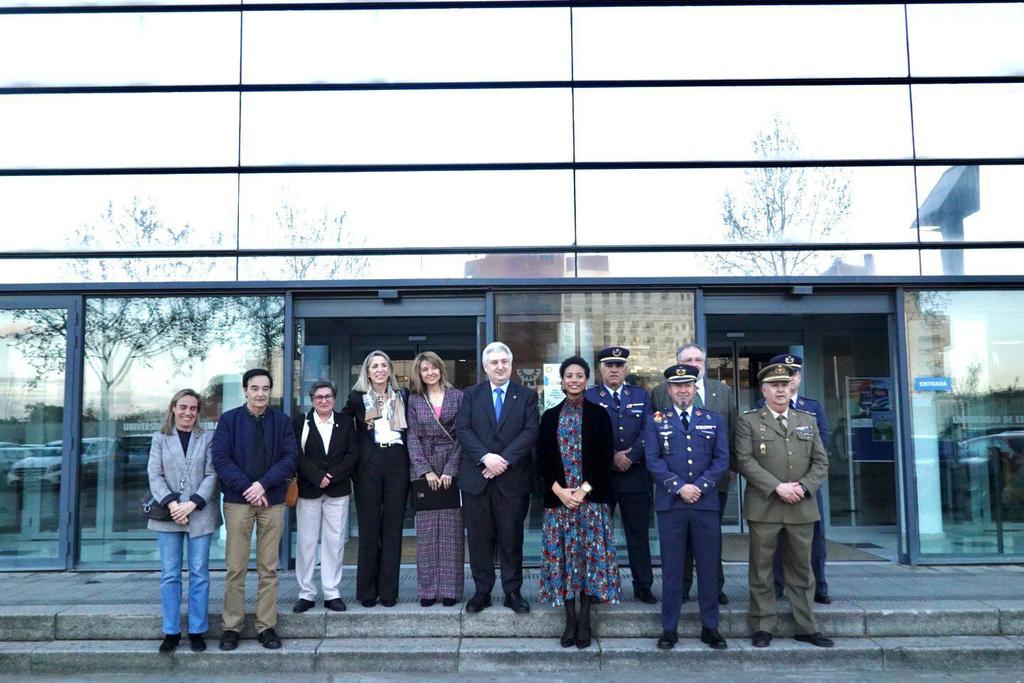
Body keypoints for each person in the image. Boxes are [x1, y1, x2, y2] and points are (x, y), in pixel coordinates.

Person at [736, 362, 832, 649]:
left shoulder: (807, 419)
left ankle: (806, 626)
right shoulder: (748, 421)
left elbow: (821, 461)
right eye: (774, 385)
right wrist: (777, 487)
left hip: (800, 506)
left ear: (792, 387)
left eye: (784, 384)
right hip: (765, 506)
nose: (780, 390)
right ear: (763, 390)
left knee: (802, 569)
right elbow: (744, 460)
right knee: (762, 569)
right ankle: (763, 625)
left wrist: (802, 487)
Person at [538, 356, 622, 649]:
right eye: (569, 375)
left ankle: (584, 619)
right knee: (564, 560)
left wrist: (582, 491)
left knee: (587, 560)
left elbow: (603, 459)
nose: (574, 380)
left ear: (587, 381)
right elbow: (543, 460)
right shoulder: (549, 417)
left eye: (579, 376)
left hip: (591, 502)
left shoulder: (599, 415)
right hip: (559, 502)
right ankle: (569, 620)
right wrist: (561, 491)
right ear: (561, 381)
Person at [644, 364, 729, 651]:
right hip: (671, 504)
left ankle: (711, 627)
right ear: (669, 390)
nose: (682, 390)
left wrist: (700, 486)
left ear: (695, 388)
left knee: (707, 566)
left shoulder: (713, 419)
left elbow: (722, 460)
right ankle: (669, 628)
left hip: (705, 504)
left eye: (688, 385)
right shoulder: (656, 420)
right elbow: (653, 460)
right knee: (672, 569)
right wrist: (679, 487)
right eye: (677, 386)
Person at [212, 368, 297, 651]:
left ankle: (266, 627)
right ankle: (232, 627)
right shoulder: (229, 420)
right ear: (245, 390)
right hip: (238, 502)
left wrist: (263, 485)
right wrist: (249, 487)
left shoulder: (281, 421)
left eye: (265, 388)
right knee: (235, 568)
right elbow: (221, 459)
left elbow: (289, 458)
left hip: (272, 502)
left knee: (268, 569)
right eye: (255, 388)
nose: (260, 393)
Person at [456, 341, 539, 615]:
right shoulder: (470, 395)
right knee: (479, 539)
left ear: (511, 365)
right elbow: (463, 429)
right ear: (485, 367)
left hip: (512, 479)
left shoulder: (525, 395)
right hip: (477, 479)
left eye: (504, 362)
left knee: (511, 538)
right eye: (494, 362)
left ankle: (512, 592)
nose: (500, 366)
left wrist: (502, 461)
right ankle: (482, 592)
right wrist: (486, 458)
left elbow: (530, 432)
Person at [652, 342, 736, 605]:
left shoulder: (722, 391)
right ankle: (683, 587)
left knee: (711, 539)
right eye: (687, 360)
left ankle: (714, 587)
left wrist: (731, 467)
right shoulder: (660, 393)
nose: (693, 364)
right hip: (674, 487)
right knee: (679, 542)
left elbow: (732, 432)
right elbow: (655, 437)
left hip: (713, 483)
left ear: (704, 363)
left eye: (698, 360)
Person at [147, 388, 220, 653]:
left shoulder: (207, 438)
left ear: (198, 412)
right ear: (173, 408)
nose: (188, 412)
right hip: (169, 513)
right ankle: (171, 631)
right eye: (183, 407)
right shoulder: (160, 438)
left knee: (199, 573)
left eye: (193, 408)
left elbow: (213, 473)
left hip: (199, 511)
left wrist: (192, 503)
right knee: (170, 574)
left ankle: (198, 630)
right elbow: (154, 475)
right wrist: (173, 504)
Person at [584, 345, 656, 604]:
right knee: (600, 534)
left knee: (637, 533)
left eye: (618, 366)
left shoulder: (642, 396)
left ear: (626, 369)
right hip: (602, 476)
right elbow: (588, 435)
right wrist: (612, 456)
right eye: (608, 366)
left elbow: (650, 430)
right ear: (601, 369)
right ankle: (600, 586)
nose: (614, 370)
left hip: (635, 474)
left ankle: (643, 586)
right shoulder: (590, 397)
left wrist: (631, 456)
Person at [763, 353, 832, 604]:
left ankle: (819, 585)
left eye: (792, 375)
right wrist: (779, 484)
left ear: (799, 378)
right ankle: (778, 584)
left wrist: (804, 484)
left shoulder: (811, 408)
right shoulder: (763, 411)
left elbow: (823, 444)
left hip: (807, 486)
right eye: (783, 376)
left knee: (814, 538)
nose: (788, 381)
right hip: (777, 486)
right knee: (778, 539)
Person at [345, 350, 410, 608]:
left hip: (397, 461)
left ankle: (389, 592)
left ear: (390, 369)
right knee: (369, 528)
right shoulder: (357, 398)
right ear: (368, 371)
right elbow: (340, 424)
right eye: (375, 366)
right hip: (369, 464)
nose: (380, 369)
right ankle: (367, 591)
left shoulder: (402, 395)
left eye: (384, 365)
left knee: (393, 528)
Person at [291, 379, 358, 614]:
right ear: (312, 400)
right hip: (309, 490)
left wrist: (331, 475)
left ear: (334, 398)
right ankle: (306, 593)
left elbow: (352, 454)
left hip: (337, 490)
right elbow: (296, 455)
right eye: (319, 397)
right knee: (306, 543)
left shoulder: (345, 422)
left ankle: (332, 592)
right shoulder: (301, 422)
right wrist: (317, 476)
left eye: (328, 396)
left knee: (334, 542)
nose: (324, 401)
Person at [406, 351, 465, 607]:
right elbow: (412, 436)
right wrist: (425, 470)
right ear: (419, 374)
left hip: (452, 465)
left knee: (452, 533)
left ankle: (451, 590)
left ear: (441, 369)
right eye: (424, 370)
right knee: (427, 533)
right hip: (425, 468)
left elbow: (464, 435)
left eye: (433, 368)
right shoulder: (414, 400)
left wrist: (450, 470)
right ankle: (428, 591)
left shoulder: (458, 397)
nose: (430, 373)